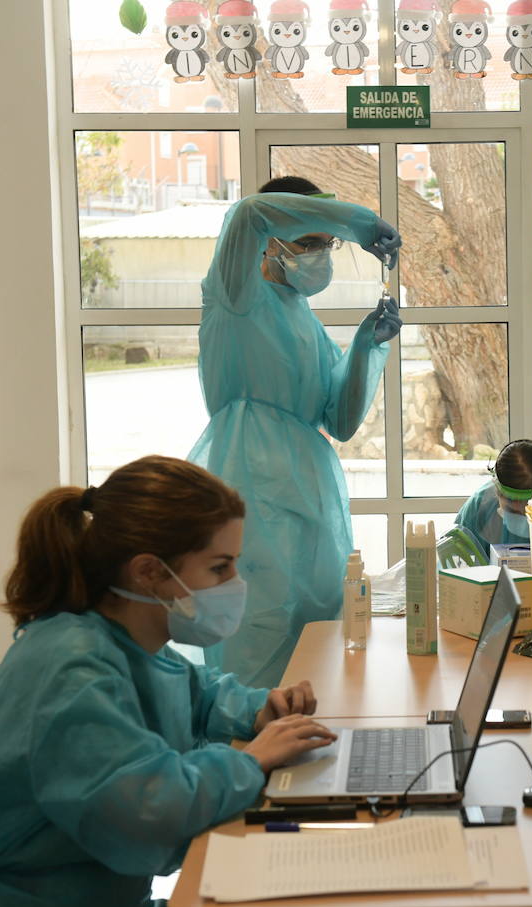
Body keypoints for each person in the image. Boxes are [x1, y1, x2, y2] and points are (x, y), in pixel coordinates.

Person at [0, 456, 336, 907]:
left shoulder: (122, 637)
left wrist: (260, 710)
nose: (235, 584)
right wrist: (251, 761)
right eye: (220, 568)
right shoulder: (72, 668)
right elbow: (150, 814)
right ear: (149, 572)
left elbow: (193, 690)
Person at [190, 176, 402, 687]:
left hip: (310, 493)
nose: (320, 252)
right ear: (274, 237)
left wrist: (366, 345)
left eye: (325, 244)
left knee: (315, 626)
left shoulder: (304, 319)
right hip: (248, 479)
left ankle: (306, 749)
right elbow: (246, 214)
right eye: (308, 239)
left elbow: (341, 420)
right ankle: (249, 750)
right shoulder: (235, 292)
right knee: (257, 627)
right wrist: (354, 222)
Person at [454, 439, 532, 555]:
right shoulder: (480, 508)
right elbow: (456, 560)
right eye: (512, 511)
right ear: (497, 492)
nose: (524, 520)